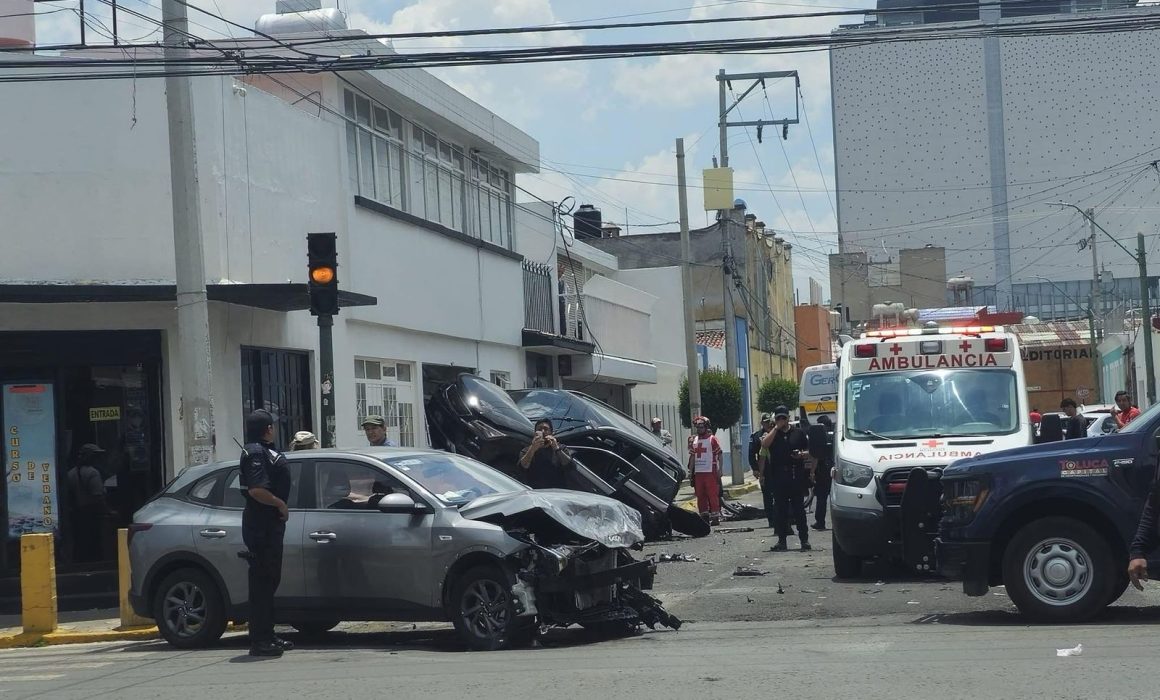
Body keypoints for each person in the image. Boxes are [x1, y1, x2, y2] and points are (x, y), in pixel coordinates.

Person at [239, 410, 293, 658]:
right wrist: (280, 504)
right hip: (261, 526)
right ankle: (259, 640)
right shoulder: (256, 453)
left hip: (270, 526)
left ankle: (268, 635)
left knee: (270, 581)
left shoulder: (264, 451)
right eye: (273, 426)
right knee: (262, 583)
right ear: (268, 428)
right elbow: (256, 490)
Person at [762, 406, 811, 551]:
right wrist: (776, 429)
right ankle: (781, 540)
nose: (781, 420)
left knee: (799, 510)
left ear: (788, 418)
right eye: (778, 418)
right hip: (778, 477)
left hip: (795, 475)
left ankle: (804, 540)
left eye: (783, 418)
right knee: (780, 511)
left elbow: (809, 451)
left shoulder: (799, 433)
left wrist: (801, 455)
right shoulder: (772, 434)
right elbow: (764, 445)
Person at [65, 444, 116, 563]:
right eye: (96, 456)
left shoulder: (70, 473)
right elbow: (98, 496)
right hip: (91, 513)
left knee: (80, 541)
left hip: (77, 513)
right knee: (94, 540)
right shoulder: (93, 473)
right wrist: (109, 511)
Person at [687, 416, 723, 525]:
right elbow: (693, 457)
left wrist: (720, 469)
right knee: (700, 495)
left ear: (706, 427)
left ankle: (715, 516)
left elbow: (719, 454)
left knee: (712, 494)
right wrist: (690, 471)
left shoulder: (712, 439)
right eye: (697, 427)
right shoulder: (695, 440)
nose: (699, 429)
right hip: (698, 472)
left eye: (701, 427)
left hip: (710, 471)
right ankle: (704, 516)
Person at [518, 419, 572, 490]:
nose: (543, 432)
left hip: (557, 491)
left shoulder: (561, 448)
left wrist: (556, 448)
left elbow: (570, 466)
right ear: (535, 433)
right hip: (535, 492)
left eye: (546, 429)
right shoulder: (527, 450)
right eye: (539, 429)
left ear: (551, 433)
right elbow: (523, 467)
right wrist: (533, 448)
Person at [811, 415, 835, 531]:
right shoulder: (835, 435)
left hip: (823, 470)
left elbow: (815, 456)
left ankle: (820, 522)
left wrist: (812, 472)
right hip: (835, 468)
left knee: (821, 498)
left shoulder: (819, 437)